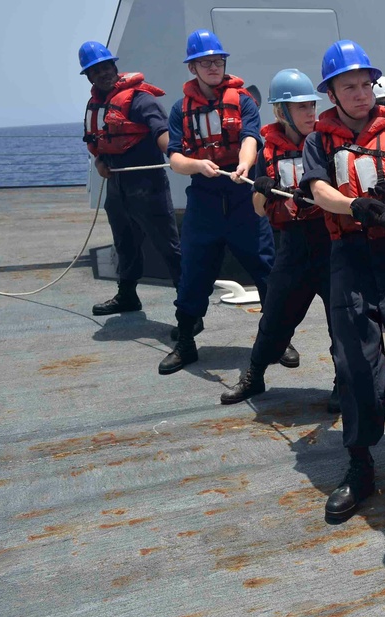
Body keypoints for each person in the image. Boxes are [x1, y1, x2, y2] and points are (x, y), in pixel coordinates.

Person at [299, 40, 385, 522]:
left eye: (365, 85)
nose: (359, 94)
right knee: (355, 365)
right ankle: (360, 465)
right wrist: (353, 205)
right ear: (331, 92)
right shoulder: (318, 141)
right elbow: (316, 189)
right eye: (347, 86)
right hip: (349, 255)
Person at [220, 69, 338, 412]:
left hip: (331, 244)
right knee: (274, 317)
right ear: (280, 112)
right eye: (300, 107)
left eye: (311, 106)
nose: (310, 113)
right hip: (293, 245)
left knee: (341, 323)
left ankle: (342, 382)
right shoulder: (269, 152)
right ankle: (254, 375)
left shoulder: (327, 144)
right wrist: (263, 190)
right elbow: (259, 211)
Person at [159, 30, 276, 375]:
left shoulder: (243, 101)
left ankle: (276, 338)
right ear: (193, 67)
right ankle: (186, 342)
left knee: (266, 267)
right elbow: (176, 159)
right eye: (206, 62)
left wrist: (244, 164)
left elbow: (250, 139)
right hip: (204, 198)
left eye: (218, 61)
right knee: (193, 271)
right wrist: (198, 165)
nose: (213, 66)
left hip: (242, 195)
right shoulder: (180, 109)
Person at [78, 41, 182, 320]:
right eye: (95, 71)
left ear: (115, 67)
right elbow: (99, 144)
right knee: (124, 243)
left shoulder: (139, 99)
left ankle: (188, 305)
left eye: (106, 67)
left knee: (168, 247)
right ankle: (127, 295)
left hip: (148, 187)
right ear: (88, 77)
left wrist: (177, 156)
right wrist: (100, 162)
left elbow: (162, 132)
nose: (103, 73)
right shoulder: (96, 106)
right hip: (117, 187)